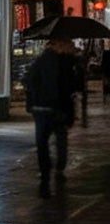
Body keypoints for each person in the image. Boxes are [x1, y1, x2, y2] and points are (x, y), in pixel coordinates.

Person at [24, 37, 81, 198]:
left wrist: (32, 104)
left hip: (42, 109)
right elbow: (71, 87)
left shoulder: (40, 62)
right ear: (58, 45)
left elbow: (28, 81)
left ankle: (45, 173)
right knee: (60, 139)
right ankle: (58, 168)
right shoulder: (66, 64)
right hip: (57, 109)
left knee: (42, 142)